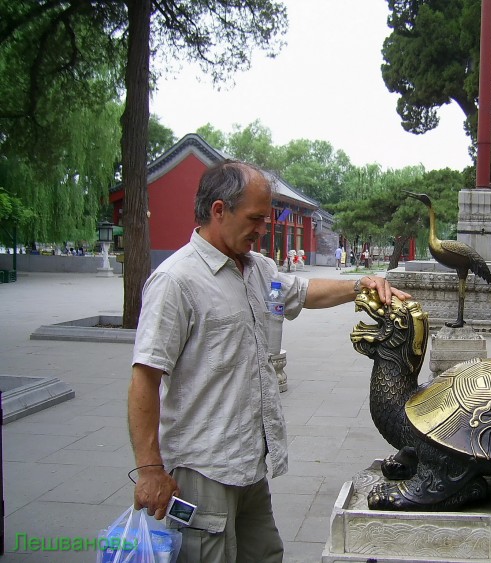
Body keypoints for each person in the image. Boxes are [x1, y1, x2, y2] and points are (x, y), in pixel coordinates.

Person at [127, 160, 409, 563]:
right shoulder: (177, 282)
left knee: (264, 554)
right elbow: (145, 378)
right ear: (219, 210)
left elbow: (306, 292)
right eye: (255, 218)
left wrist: (361, 284)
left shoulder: (258, 270)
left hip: (250, 463)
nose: (263, 229)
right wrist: (150, 468)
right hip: (204, 469)